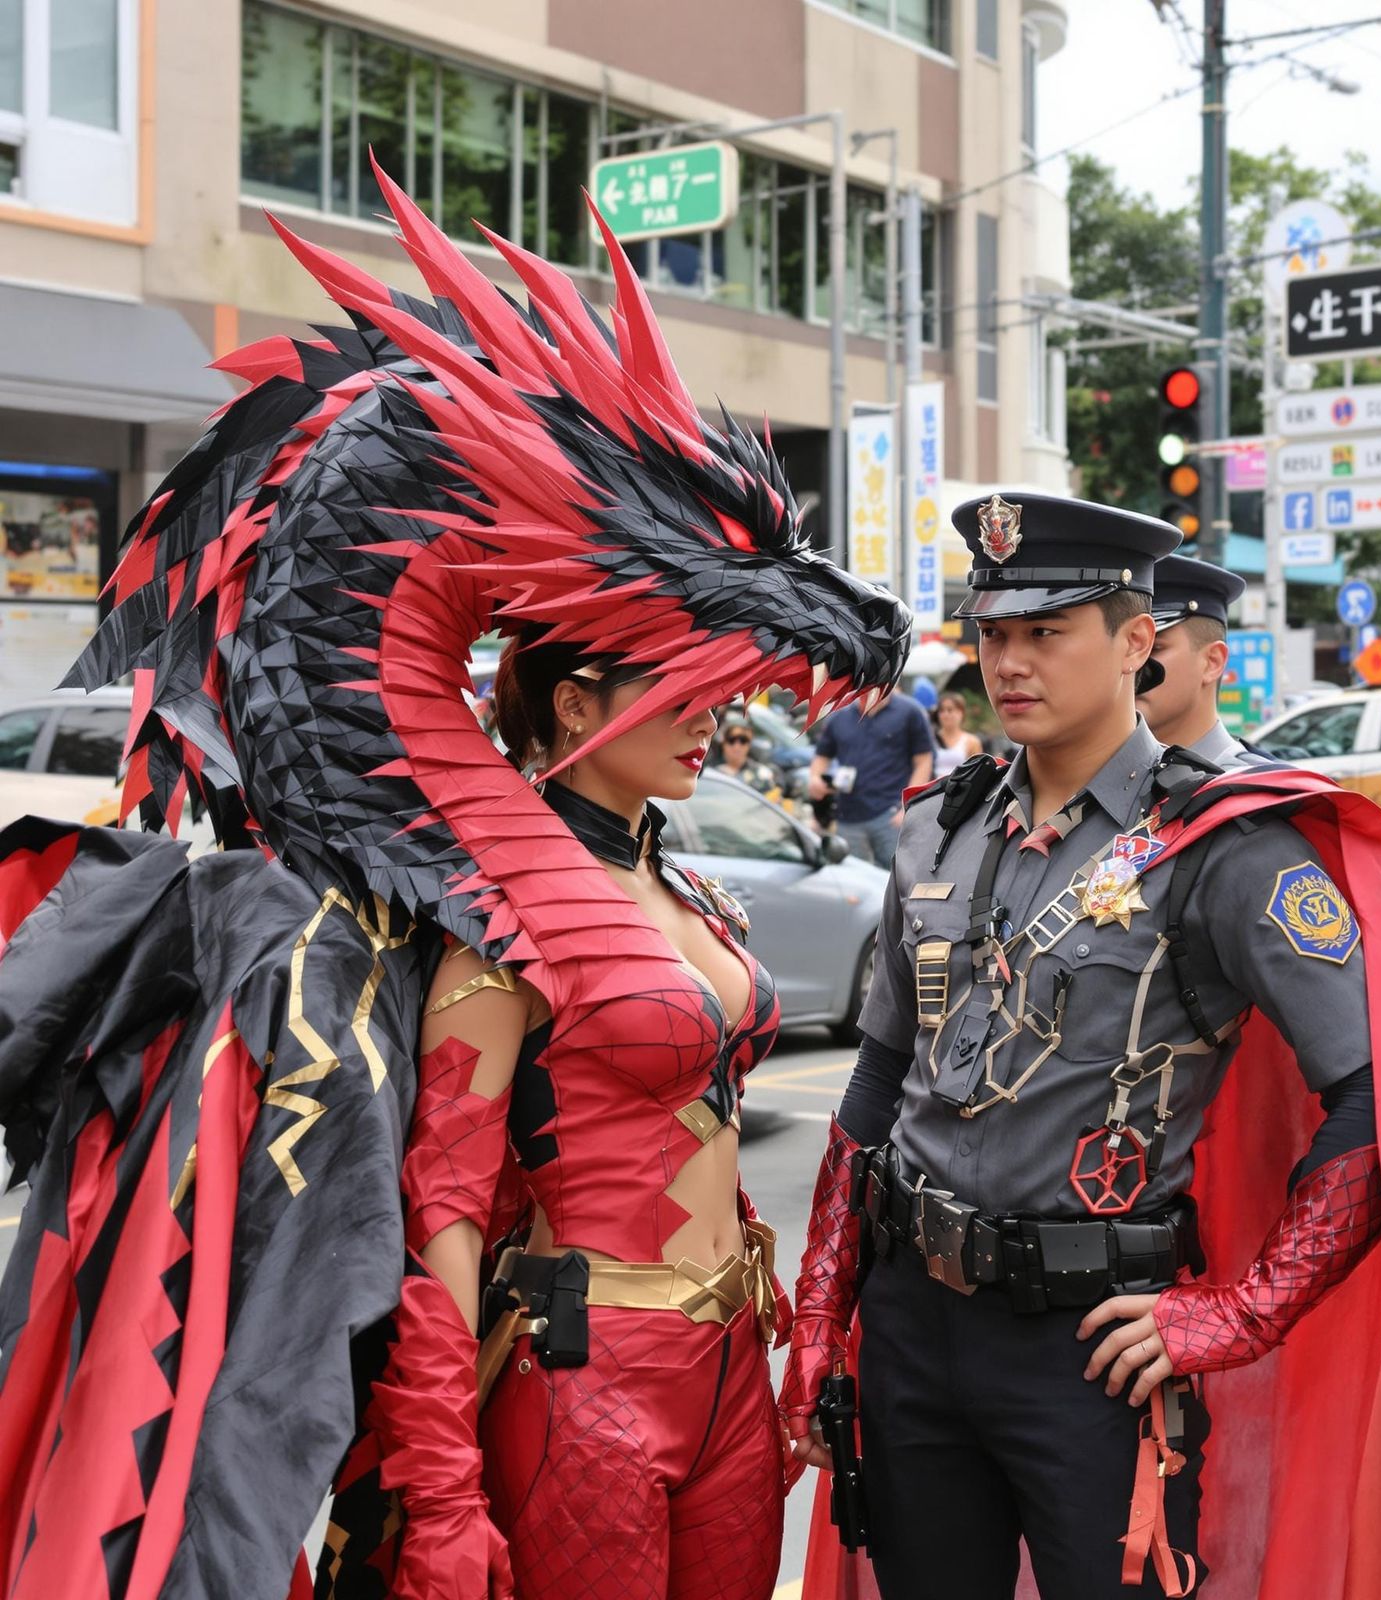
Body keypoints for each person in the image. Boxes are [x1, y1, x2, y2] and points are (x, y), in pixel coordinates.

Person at [0, 160, 912, 1600]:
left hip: (733, 1372)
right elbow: (443, 1226)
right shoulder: (490, 934)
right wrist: (438, 1498)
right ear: (565, 707)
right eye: (676, 685)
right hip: (585, 1382)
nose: (713, 713)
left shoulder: (691, 891)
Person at [784, 491, 1381, 1600]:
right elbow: (877, 1080)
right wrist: (822, 1312)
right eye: (994, 634)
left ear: (1136, 640)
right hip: (912, 1329)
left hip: (1088, 1351)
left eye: (1045, 633)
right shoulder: (935, 830)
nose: (1009, 663)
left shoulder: (1226, 845)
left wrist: (1237, 1312)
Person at [1137, 554, 1268, 768]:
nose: (1133, 663)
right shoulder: (1097, 783)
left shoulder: (1257, 793)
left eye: (1154, 648)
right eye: (1130, 646)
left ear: (1212, 662)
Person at [807, 686, 933, 868]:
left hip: (890, 814)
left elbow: (923, 761)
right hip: (847, 815)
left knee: (898, 878)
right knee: (854, 882)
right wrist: (815, 778)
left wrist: (909, 806)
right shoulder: (839, 715)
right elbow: (821, 756)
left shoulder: (910, 712)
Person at [712, 707, 782, 797]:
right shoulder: (710, 770)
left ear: (749, 743)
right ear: (723, 742)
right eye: (731, 740)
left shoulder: (758, 771)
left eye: (743, 740)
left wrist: (779, 787)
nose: (737, 746)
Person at [931, 689, 984, 779]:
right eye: (942, 710)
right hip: (934, 789)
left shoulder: (971, 741)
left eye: (950, 710)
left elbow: (977, 773)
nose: (945, 714)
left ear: (961, 713)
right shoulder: (931, 739)